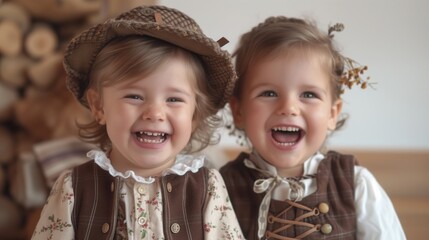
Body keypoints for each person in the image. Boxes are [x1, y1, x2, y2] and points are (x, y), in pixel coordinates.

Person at [32, 5, 244, 240]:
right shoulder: (74, 188)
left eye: (173, 99)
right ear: (99, 106)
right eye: (134, 96)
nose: (154, 113)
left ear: (194, 115)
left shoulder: (207, 188)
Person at [220, 16, 406, 239]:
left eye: (308, 94)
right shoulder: (220, 188)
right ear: (238, 111)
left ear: (331, 113)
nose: (288, 108)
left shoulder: (356, 183)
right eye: (268, 93)